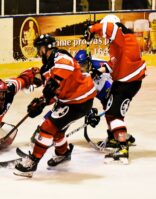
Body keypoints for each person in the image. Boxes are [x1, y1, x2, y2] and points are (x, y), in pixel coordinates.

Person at [14, 34, 97, 178]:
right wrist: (41, 102)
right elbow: (54, 92)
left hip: (79, 100)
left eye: (39, 48)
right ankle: (63, 153)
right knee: (58, 131)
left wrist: (55, 80)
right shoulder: (46, 69)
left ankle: (32, 163)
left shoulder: (59, 56)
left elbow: (67, 65)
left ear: (47, 48)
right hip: (70, 100)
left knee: (47, 127)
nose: (38, 52)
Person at [84, 14, 146, 164]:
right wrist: (99, 70)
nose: (104, 37)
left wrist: (91, 29)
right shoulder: (118, 43)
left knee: (115, 113)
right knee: (110, 108)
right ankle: (114, 137)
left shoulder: (123, 36)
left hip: (128, 82)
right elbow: (113, 65)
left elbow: (108, 27)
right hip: (123, 81)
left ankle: (123, 147)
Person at [74, 50, 135, 148]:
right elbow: (82, 97)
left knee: (113, 115)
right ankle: (114, 136)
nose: (81, 68)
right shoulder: (76, 74)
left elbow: (115, 67)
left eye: (84, 65)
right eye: (79, 65)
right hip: (100, 93)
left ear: (89, 62)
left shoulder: (99, 63)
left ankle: (119, 137)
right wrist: (89, 113)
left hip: (112, 89)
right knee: (109, 115)